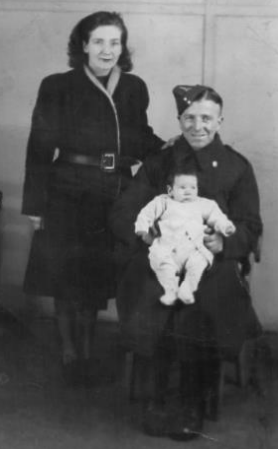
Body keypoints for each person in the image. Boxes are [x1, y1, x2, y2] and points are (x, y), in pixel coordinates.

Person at [110, 84, 263, 440]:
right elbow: (124, 212)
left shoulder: (236, 168)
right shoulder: (159, 163)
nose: (198, 126)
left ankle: (192, 400)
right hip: (160, 258)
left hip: (213, 262)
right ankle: (157, 396)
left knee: (205, 300)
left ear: (219, 120)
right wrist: (146, 235)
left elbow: (251, 226)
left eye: (206, 118)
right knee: (150, 293)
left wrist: (223, 240)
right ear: (179, 120)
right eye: (190, 118)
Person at [22, 11, 164, 386]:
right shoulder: (57, 85)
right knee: (66, 279)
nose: (107, 50)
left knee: (94, 280)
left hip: (113, 193)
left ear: (122, 47)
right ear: (83, 45)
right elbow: (39, 148)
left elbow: (140, 136)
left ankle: (87, 351)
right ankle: (71, 354)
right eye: (98, 41)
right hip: (66, 193)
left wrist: (170, 152)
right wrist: (35, 206)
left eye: (114, 42)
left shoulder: (134, 87)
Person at [135, 169, 236, 305]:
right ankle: (170, 290)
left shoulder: (203, 204)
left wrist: (224, 226)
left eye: (193, 187)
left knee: (199, 263)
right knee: (162, 265)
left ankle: (188, 288)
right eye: (182, 187)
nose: (188, 191)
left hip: (194, 247)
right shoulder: (163, 201)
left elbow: (216, 216)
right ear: (170, 190)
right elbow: (146, 214)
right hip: (168, 247)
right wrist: (142, 228)